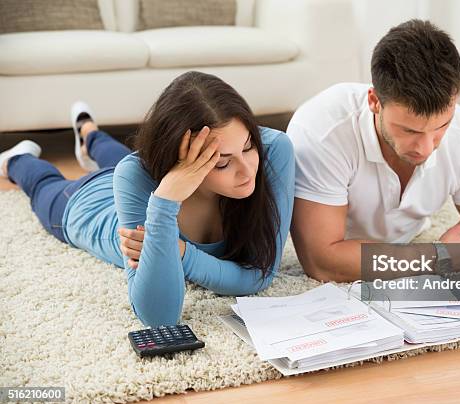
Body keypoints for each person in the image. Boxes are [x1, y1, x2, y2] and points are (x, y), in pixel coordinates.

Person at [0, 71, 295, 326]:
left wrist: (182, 253)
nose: (247, 171)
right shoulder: (136, 177)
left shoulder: (273, 149)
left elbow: (260, 274)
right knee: (42, 183)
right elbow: (159, 316)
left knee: (118, 159)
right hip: (85, 205)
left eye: (248, 147)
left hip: (134, 177)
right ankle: (16, 160)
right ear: (177, 162)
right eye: (221, 162)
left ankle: (88, 132)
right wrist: (165, 201)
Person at [286, 19, 460, 305]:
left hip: (400, 242)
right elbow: (323, 261)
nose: (427, 147)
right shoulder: (322, 130)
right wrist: (436, 257)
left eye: (442, 126)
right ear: (374, 101)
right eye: (410, 130)